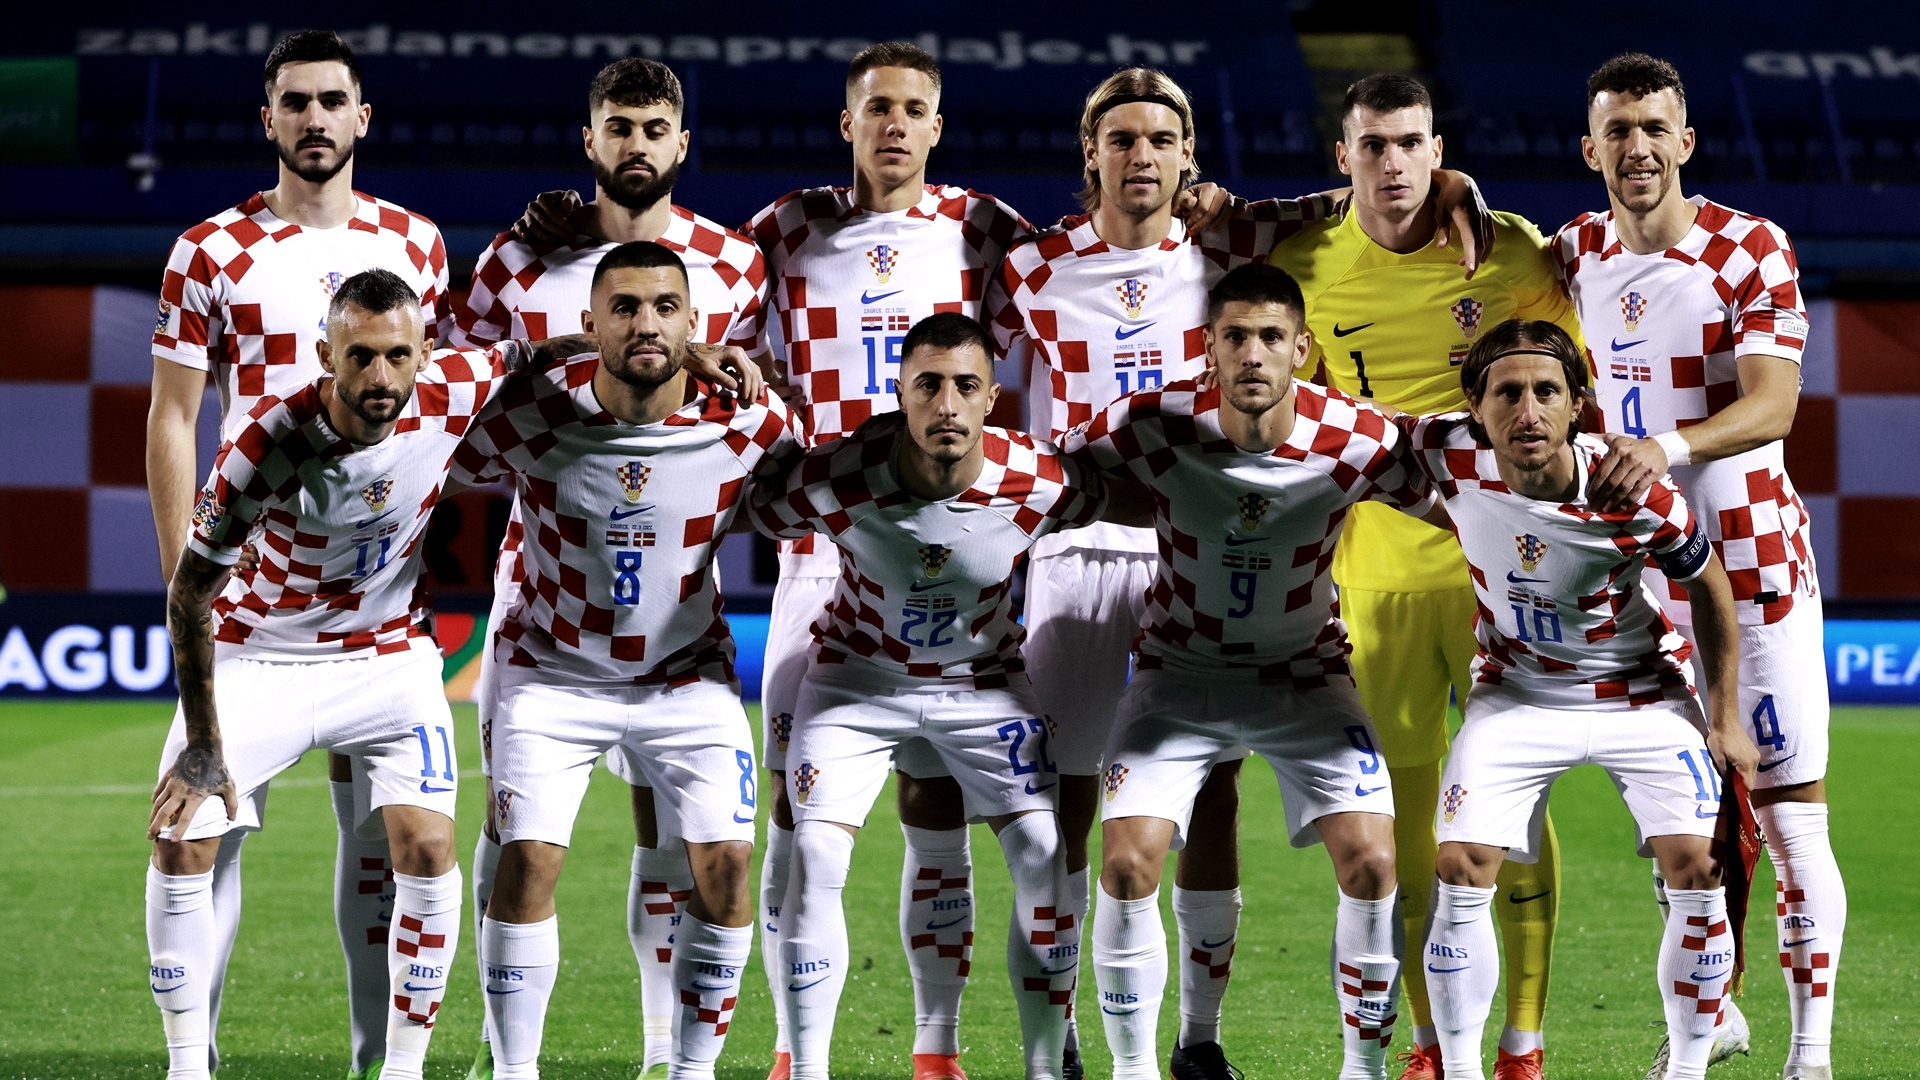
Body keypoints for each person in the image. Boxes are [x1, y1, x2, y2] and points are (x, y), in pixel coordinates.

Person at [986, 68, 1496, 1080]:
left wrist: (1456, 187)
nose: (1142, 158)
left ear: (1189, 159)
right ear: (1090, 153)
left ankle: (1200, 1040)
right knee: (1069, 816)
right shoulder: (1030, 267)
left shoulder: (1230, 241)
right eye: (1120, 140)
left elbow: (1361, 190)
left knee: (1213, 799)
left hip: (1230, 556)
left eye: (1162, 141)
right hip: (1096, 539)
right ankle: (1064, 1040)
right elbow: (1004, 419)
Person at [449, 57, 769, 1080]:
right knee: (519, 843)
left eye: (654, 128)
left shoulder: (738, 263)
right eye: (617, 127)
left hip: (677, 585)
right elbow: (451, 402)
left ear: (683, 146)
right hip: (545, 580)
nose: (636, 144)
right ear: (590, 143)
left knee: (676, 842)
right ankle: (507, 1058)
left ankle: (666, 1051)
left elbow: (757, 423)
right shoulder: (518, 257)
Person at [146, 268, 548, 1080]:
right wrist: (202, 743)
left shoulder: (453, 386)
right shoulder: (268, 440)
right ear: (326, 354)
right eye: (358, 357)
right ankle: (187, 1065)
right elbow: (189, 593)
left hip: (388, 654)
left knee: (429, 847)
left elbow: (537, 354)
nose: (378, 377)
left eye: (397, 356)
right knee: (181, 840)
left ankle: (402, 1069)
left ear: (425, 353)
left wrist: (696, 354)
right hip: (261, 651)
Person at [1265, 73, 1583, 1080]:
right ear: (1343, 156)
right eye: (1373, 146)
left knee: (1517, 816)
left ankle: (1522, 1043)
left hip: (1508, 576)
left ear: (1437, 149)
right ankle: (1432, 1044)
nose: (1393, 164)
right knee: (1403, 837)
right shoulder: (1304, 264)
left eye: (1410, 144)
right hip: (1372, 583)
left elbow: (1567, 398)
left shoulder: (1515, 251)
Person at [145, 31, 450, 1080]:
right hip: (249, 605)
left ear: (362, 118)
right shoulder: (210, 250)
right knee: (203, 828)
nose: (315, 119)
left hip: (376, 607)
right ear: (267, 119)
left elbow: (432, 411)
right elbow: (177, 421)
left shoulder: (418, 242)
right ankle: (198, 1059)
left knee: (384, 849)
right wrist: (180, 583)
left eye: (333, 101)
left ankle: (382, 1060)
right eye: (295, 103)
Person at [1065, 263, 1430, 1080]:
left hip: (1306, 672)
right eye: (1235, 337)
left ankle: (1360, 1073)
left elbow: (1453, 496)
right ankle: (1142, 1070)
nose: (1253, 355)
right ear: (1209, 349)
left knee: (1374, 862)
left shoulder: (1357, 437)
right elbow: (1063, 480)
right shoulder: (1154, 421)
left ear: (1302, 348)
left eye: (1271, 337)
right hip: (1177, 670)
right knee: (1125, 863)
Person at [1554, 53, 1842, 1080]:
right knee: (1677, 821)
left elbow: (1774, 403)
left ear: (1685, 142)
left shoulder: (1748, 248)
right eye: (1617, 130)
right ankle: (1712, 1014)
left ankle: (1811, 1057)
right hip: (1636, 578)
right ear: (1590, 150)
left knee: (1790, 813)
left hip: (1749, 557)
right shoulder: (1570, 254)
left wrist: (1666, 451)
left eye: (1654, 128)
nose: (1636, 147)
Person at [749, 312, 1110, 1080]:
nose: (947, 405)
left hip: (981, 684)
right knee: (812, 852)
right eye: (929, 386)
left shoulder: (1041, 480)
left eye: (966, 387)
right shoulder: (837, 472)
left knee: (1046, 855)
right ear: (900, 394)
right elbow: (760, 507)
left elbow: (1128, 502)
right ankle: (804, 1067)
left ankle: (1048, 1066)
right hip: (855, 679)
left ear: (991, 399)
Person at [1398, 318, 1760, 1080]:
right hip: (1517, 694)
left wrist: (1724, 718)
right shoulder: (1445, 453)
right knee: (1460, 863)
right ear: (1475, 404)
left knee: (1699, 868)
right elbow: (1343, 432)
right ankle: (1462, 1070)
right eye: (1507, 394)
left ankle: (1688, 1068)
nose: (1526, 411)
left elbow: (1710, 585)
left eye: (1545, 393)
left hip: (1640, 696)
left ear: (1577, 406)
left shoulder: (1634, 491)